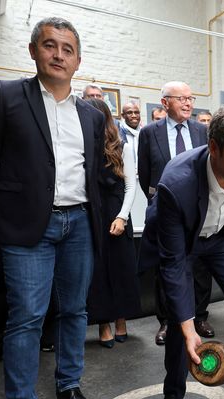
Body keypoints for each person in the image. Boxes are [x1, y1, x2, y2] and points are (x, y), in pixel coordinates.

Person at [0, 17, 104, 399]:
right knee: (27, 316)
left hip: (79, 223)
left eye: (67, 49)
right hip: (28, 226)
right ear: (33, 51)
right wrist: (14, 199)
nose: (58, 55)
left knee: (75, 311)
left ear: (77, 61)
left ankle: (69, 385)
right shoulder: (8, 95)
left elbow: (91, 171)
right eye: (50, 45)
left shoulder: (91, 115)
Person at [138, 106, 224, 399]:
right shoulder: (176, 184)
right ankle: (172, 394)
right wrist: (188, 326)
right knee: (179, 318)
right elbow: (173, 264)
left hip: (221, 239)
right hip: (182, 243)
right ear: (214, 148)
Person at [137, 81, 215, 345]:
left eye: (190, 98)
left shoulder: (202, 130)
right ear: (165, 102)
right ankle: (167, 322)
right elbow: (145, 174)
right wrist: (157, 201)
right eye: (180, 98)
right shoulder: (150, 133)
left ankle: (200, 317)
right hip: (166, 210)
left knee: (200, 266)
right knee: (166, 267)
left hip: (198, 210)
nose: (187, 103)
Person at [85, 98, 141, 348]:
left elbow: (131, 186)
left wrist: (122, 216)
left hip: (118, 212)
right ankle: (103, 323)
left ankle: (121, 320)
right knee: (98, 272)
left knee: (121, 270)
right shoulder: (82, 147)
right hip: (92, 214)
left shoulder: (123, 147)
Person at [118, 101, 142, 168]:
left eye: (136, 112)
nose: (134, 116)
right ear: (123, 116)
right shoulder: (117, 133)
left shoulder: (145, 132)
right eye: (129, 113)